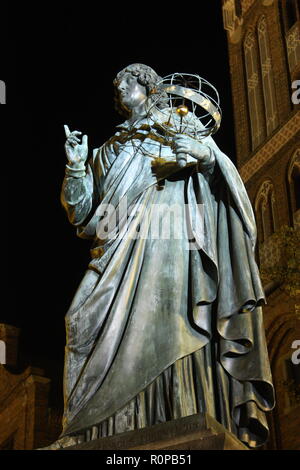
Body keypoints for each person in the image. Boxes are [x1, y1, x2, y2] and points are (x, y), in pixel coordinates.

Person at [58, 63, 274, 448]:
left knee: (170, 321)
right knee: (79, 319)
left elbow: (221, 173)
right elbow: (82, 213)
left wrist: (202, 157)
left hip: (170, 243)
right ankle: (91, 430)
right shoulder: (108, 150)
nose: (117, 89)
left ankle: (175, 413)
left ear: (145, 84)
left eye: (123, 81)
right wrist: (76, 167)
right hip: (115, 248)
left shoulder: (180, 124)